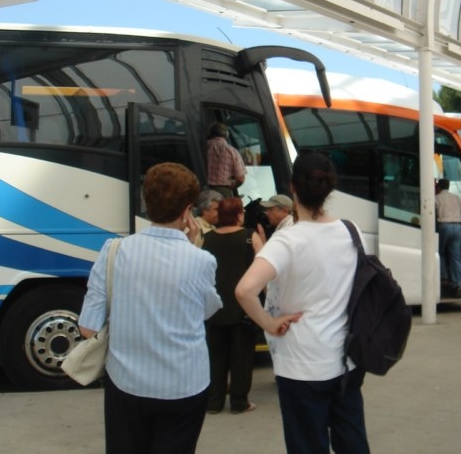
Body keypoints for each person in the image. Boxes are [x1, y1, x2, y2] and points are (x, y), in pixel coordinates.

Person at [78, 162, 223, 454]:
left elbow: (88, 328)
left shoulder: (114, 251)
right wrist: (193, 247)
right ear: (187, 211)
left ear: (147, 203)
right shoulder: (200, 260)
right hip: (185, 385)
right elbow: (206, 311)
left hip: (126, 383)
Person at [235, 151, 371, 453]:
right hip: (345, 360)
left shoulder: (287, 240)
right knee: (353, 441)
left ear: (292, 188)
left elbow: (245, 290)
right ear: (329, 190)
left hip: (300, 365)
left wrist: (269, 323)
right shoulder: (351, 231)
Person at [202, 197, 262, 414]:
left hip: (214, 308)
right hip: (243, 308)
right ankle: (239, 402)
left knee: (215, 358)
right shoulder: (249, 237)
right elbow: (262, 266)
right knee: (242, 358)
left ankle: (214, 402)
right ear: (238, 215)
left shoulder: (206, 239)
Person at [435, 177, 461, 297]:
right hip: (458, 227)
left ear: (438, 187)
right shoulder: (457, 197)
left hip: (444, 226)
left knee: (440, 252)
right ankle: (458, 283)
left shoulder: (437, 198)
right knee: (456, 256)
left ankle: (443, 276)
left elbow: (431, 211)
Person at [206, 122, 246, 198]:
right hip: (222, 191)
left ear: (210, 133)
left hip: (202, 188)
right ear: (226, 135)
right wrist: (232, 186)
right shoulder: (232, 151)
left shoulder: (202, 146)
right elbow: (240, 179)